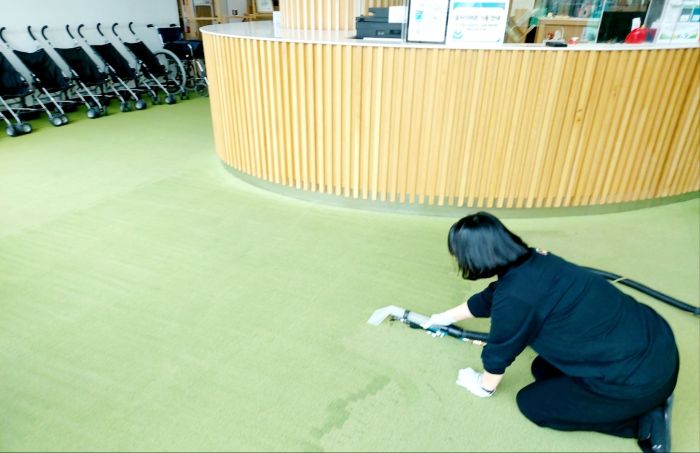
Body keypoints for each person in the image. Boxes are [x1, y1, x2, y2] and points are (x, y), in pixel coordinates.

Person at [422, 212, 678, 453]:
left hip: (636, 381)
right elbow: (490, 298)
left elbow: (499, 352)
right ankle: (641, 401)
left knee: (533, 404)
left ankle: (643, 423)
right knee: (542, 368)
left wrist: (482, 386)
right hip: (658, 344)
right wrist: (443, 318)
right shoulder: (537, 259)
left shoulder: (515, 297)